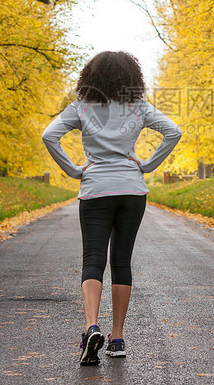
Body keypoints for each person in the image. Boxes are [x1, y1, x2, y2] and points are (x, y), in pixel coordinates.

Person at [42, 51, 182, 366]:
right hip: (132, 190)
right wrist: (146, 165)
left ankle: (92, 326)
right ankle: (116, 339)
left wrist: (75, 170)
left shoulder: (82, 107)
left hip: (95, 190)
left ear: (90, 78)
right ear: (132, 79)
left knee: (93, 260)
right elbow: (174, 131)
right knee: (121, 262)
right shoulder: (139, 107)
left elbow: (49, 135)